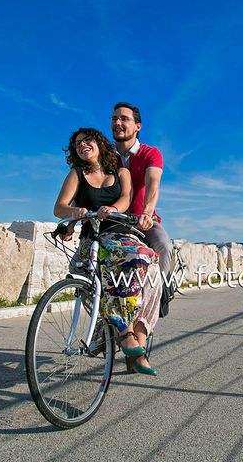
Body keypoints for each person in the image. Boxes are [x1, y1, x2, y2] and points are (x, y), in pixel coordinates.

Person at [54, 128, 161, 376]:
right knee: (93, 274)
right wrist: (75, 212)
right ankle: (124, 333)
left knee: (146, 261)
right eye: (77, 144)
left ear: (100, 143)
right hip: (92, 238)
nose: (82, 145)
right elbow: (59, 207)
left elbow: (125, 198)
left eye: (87, 140)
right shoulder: (76, 174)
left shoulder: (120, 172)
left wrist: (112, 209)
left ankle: (135, 335)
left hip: (119, 235)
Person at [110, 102, 175, 311]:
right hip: (112, 220)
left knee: (164, 247)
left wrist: (147, 213)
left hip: (142, 219)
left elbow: (152, 184)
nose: (118, 123)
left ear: (138, 126)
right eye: (114, 119)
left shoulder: (150, 153)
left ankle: (162, 292)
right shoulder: (105, 155)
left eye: (124, 119)